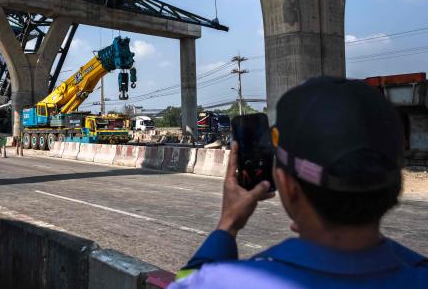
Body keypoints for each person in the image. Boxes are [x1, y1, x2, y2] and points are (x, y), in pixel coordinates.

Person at [170, 77, 427, 288]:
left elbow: (189, 281)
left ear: (288, 186)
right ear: (395, 183)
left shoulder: (224, 282)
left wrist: (227, 226)